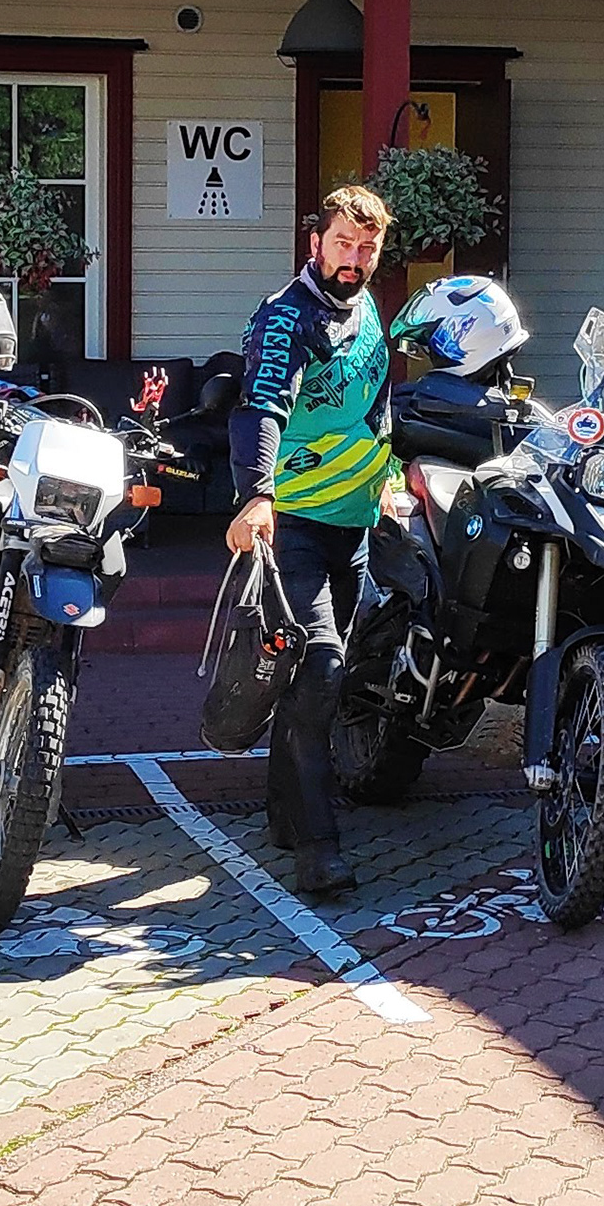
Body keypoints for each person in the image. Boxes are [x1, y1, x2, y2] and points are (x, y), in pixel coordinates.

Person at [227, 184, 411, 897]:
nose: (354, 259)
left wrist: (389, 476)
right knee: (323, 665)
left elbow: (377, 401)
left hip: (354, 523)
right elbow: (261, 408)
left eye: (367, 248)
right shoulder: (287, 317)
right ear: (315, 244)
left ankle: (285, 812)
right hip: (294, 521)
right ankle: (318, 847)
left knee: (315, 677)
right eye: (342, 244)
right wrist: (257, 497)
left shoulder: (367, 307)